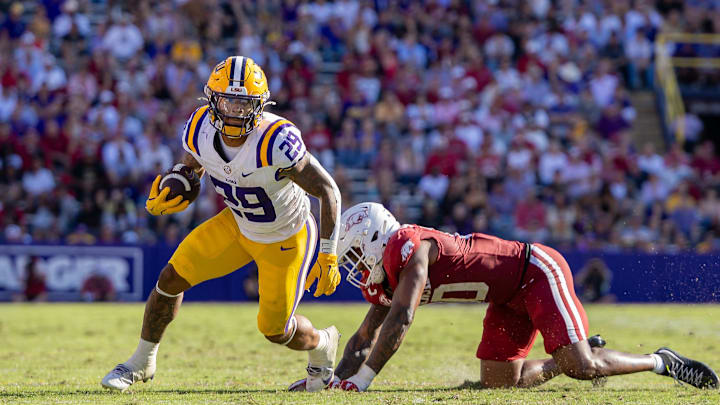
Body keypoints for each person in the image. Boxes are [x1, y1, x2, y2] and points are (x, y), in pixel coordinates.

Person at [102, 56, 343, 392]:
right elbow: (193, 167)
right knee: (170, 279)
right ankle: (141, 362)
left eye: (243, 104)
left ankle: (322, 343)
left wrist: (328, 253)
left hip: (286, 237)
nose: (233, 111)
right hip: (236, 224)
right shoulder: (199, 127)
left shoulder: (276, 140)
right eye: (227, 101)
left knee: (275, 330)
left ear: (259, 105)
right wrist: (178, 181)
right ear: (212, 100)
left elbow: (327, 190)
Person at [291, 203, 718, 391]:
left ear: (373, 240)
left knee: (583, 369)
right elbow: (366, 335)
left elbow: (401, 319)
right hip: (505, 298)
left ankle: (661, 361)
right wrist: (331, 381)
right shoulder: (391, 270)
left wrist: (362, 382)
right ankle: (564, 356)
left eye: (352, 254)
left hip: (535, 272)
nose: (353, 266)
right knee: (499, 382)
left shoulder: (410, 246)